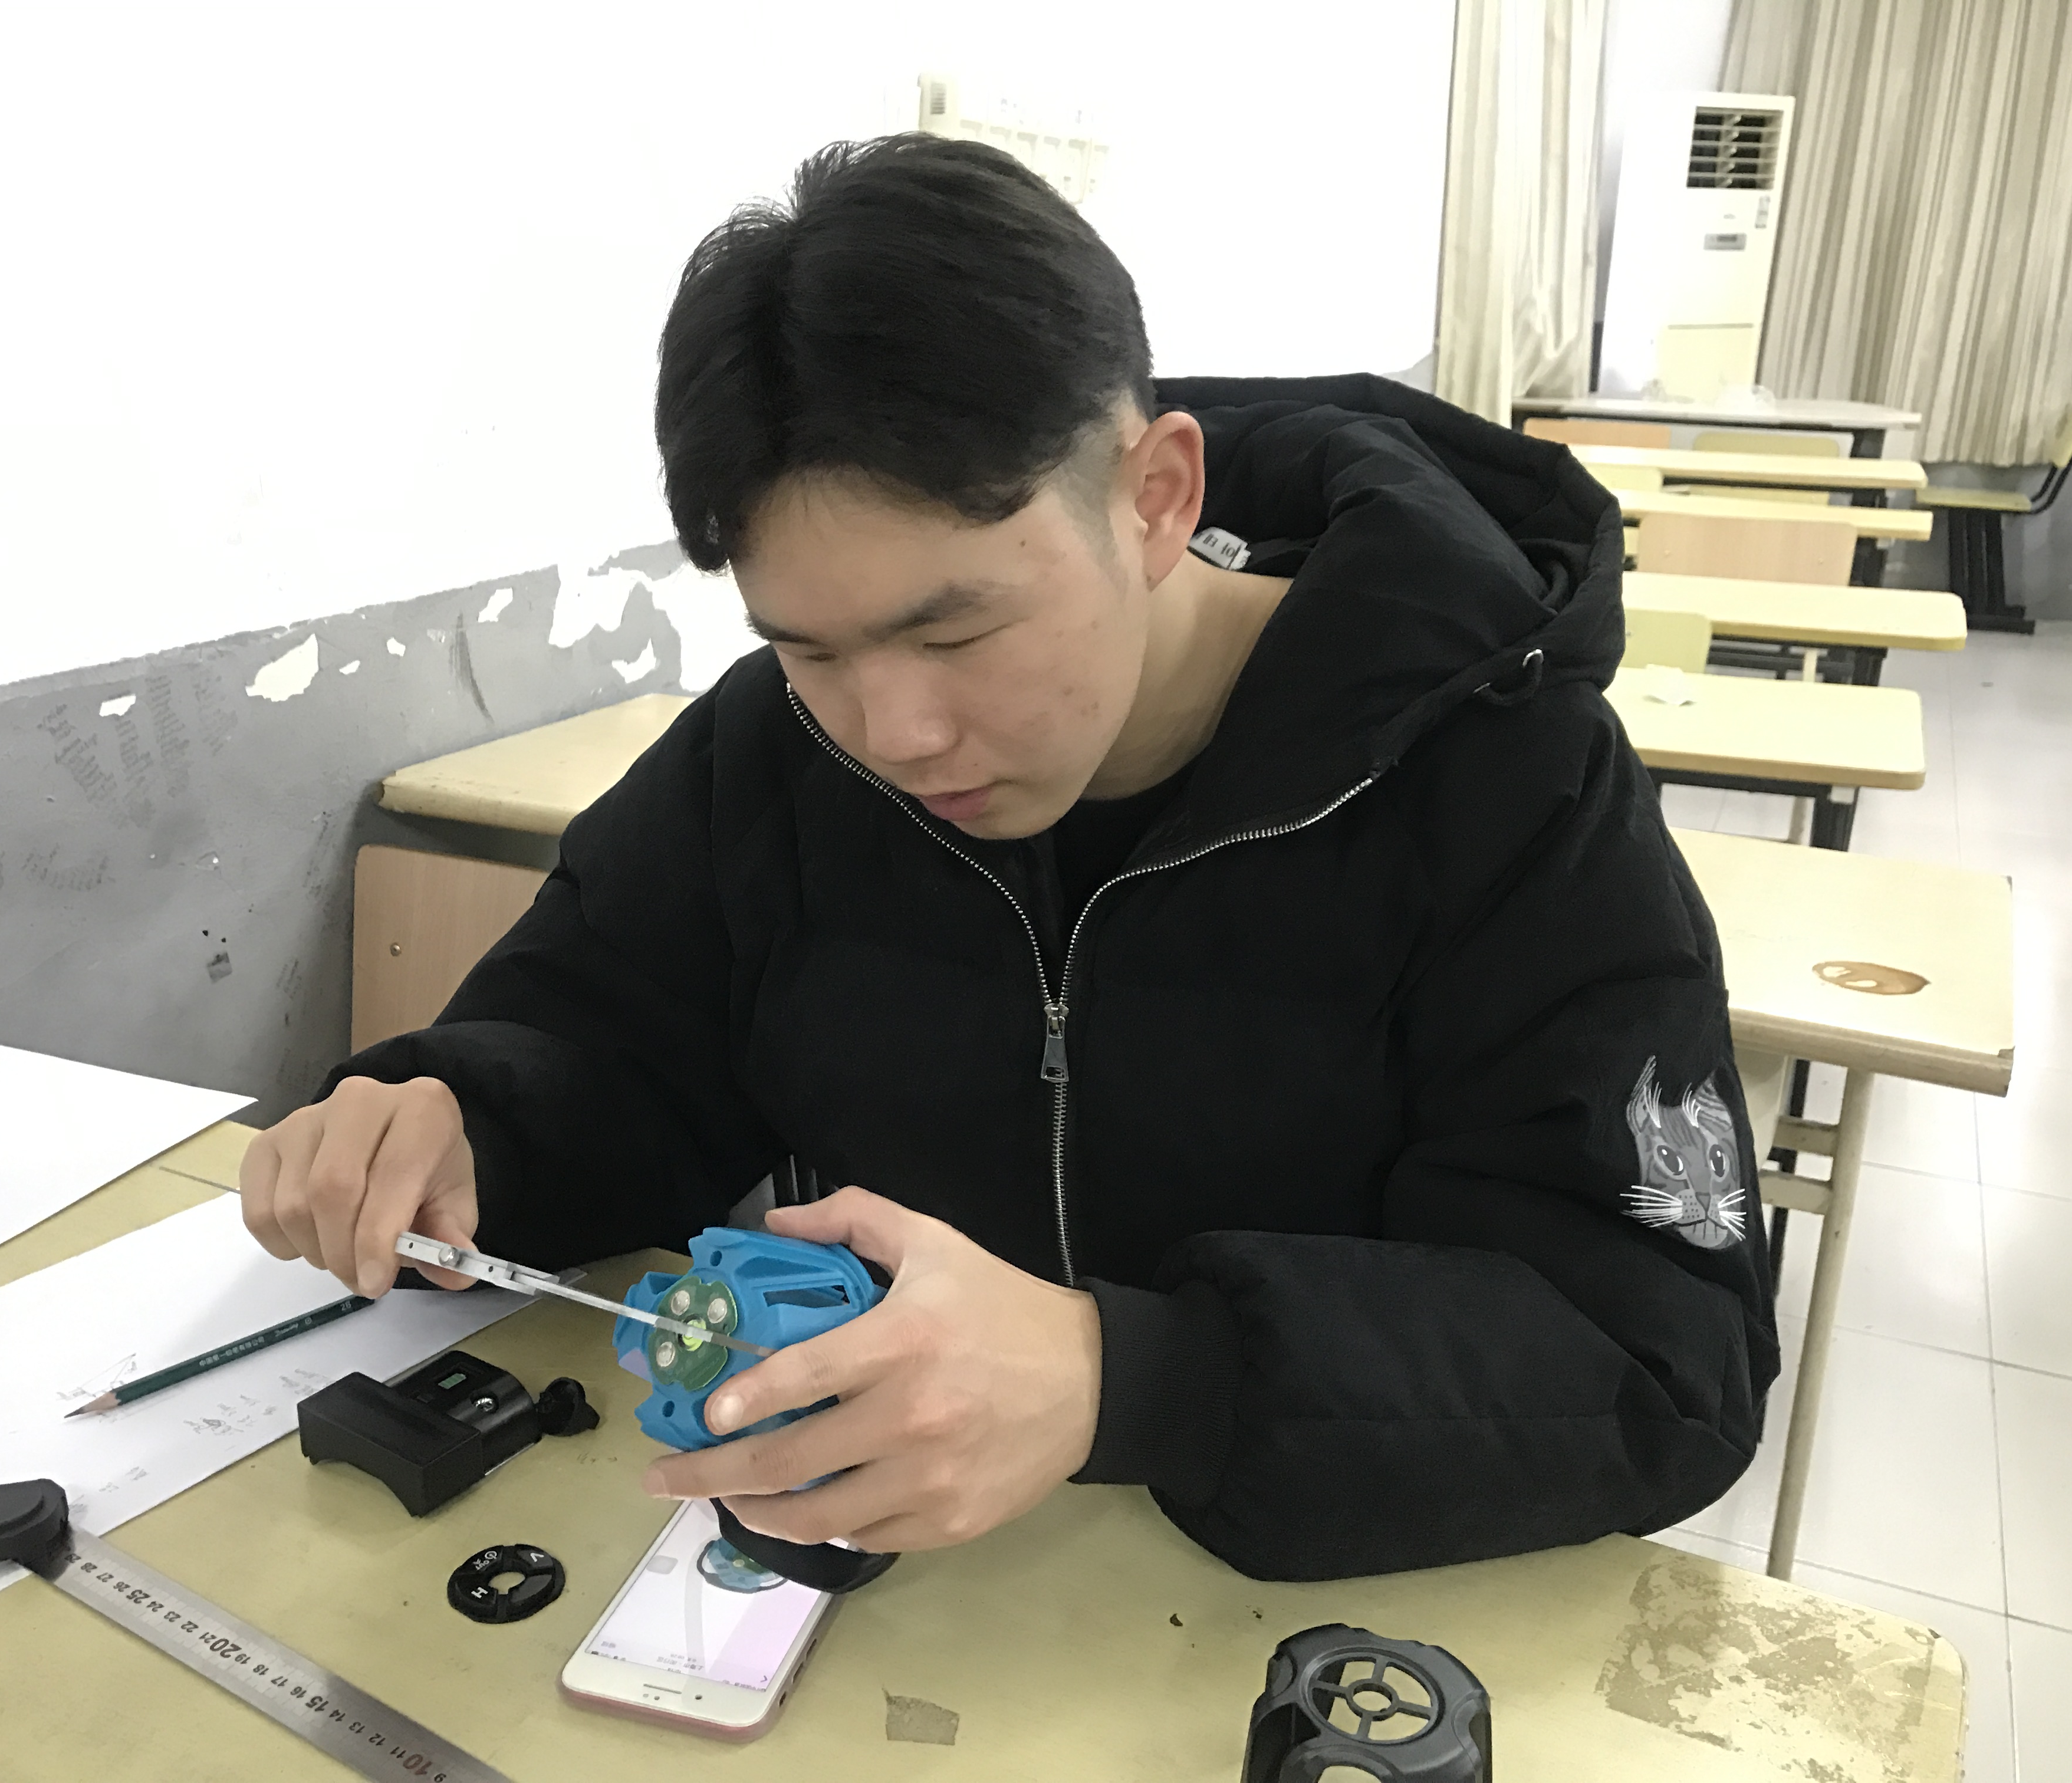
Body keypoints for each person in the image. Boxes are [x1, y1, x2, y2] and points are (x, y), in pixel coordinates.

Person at [241, 134, 1775, 1582]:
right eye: (810, 648)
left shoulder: (1507, 781)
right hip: (899, 1604)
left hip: (1299, 1623)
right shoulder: (771, 755)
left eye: (956, 630)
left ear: (1157, 498)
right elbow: (616, 1044)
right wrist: (467, 1128)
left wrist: (1132, 1378)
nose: (893, 735)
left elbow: (1660, 1355)